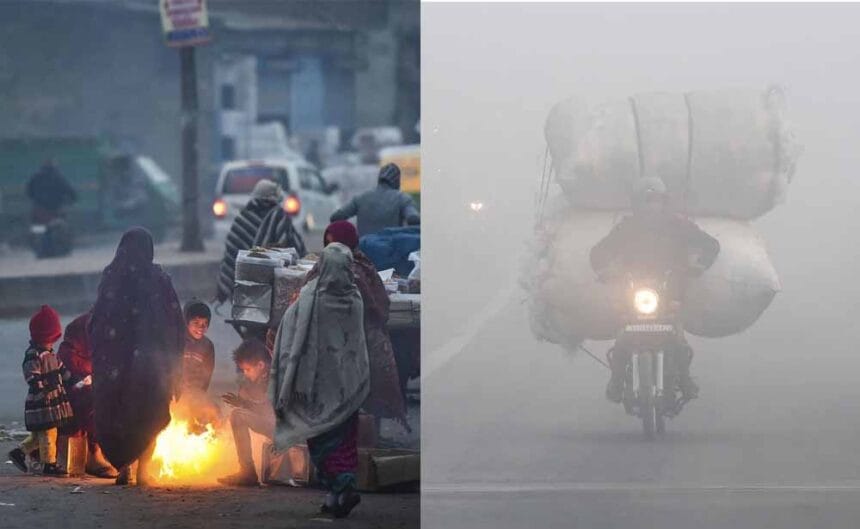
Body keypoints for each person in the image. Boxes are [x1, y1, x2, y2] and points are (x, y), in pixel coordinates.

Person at [590, 177, 720, 403]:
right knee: (623, 338)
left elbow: (710, 244)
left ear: (664, 202)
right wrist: (604, 270)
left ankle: (686, 379)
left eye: (656, 200)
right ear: (637, 204)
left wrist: (699, 264)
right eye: (647, 201)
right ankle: (617, 379)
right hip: (634, 290)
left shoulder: (679, 225)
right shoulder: (626, 228)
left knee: (677, 337)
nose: (652, 206)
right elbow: (599, 251)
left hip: (670, 289)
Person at [270, 242, 370, 518]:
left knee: (322, 441)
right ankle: (335, 499)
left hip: (315, 388)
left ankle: (341, 488)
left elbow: (290, 337)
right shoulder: (355, 298)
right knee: (345, 441)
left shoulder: (310, 298)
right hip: (348, 385)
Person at [88, 227, 186, 486]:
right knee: (148, 415)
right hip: (150, 367)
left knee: (119, 415)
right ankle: (143, 471)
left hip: (116, 367)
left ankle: (124, 470)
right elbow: (175, 323)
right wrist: (173, 364)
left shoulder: (112, 277)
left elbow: (97, 322)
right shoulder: (159, 279)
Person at [306, 221, 409, 431]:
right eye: (328, 245)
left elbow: (377, 306)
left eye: (334, 245)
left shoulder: (348, 271)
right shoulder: (354, 268)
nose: (330, 250)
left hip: (354, 345)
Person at [8, 305, 75, 476]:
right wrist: (41, 389)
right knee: (48, 434)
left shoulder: (51, 354)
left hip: (51, 403)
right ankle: (49, 464)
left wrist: (72, 380)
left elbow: (62, 370)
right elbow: (31, 375)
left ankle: (20, 452)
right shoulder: (34, 354)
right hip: (42, 404)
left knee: (40, 435)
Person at [216, 180, 301, 304]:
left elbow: (231, 255)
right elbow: (292, 248)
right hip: (275, 283)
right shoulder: (279, 216)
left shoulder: (243, 217)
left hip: (244, 283)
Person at [56, 311, 118, 479]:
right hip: (71, 406)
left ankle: (103, 451)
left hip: (86, 395)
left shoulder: (100, 348)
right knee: (93, 403)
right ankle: (93, 454)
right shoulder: (69, 355)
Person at [217, 339, 274, 487]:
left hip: (290, 429)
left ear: (261, 365)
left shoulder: (277, 377)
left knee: (238, 416)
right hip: (281, 427)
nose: (245, 374)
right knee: (238, 414)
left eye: (248, 370)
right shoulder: (256, 380)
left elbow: (271, 413)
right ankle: (247, 471)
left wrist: (244, 404)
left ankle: (247, 472)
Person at [330, 163, 420, 237]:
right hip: (391, 251)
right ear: (397, 181)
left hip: (364, 252)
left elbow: (336, 217)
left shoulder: (361, 198)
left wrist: (352, 235)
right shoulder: (402, 198)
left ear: (379, 179)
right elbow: (413, 218)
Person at [26, 159, 77, 224]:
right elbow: (71, 193)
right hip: (55, 209)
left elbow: (29, 192)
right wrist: (70, 201)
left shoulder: (36, 178)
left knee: (37, 228)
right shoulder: (59, 179)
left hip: (41, 209)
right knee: (60, 227)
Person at [181, 301, 215, 393]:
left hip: (195, 394)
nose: (201, 327)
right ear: (186, 322)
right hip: (174, 393)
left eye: (205, 323)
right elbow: (167, 370)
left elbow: (206, 377)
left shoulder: (207, 346)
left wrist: (199, 396)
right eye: (196, 323)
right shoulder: (176, 341)